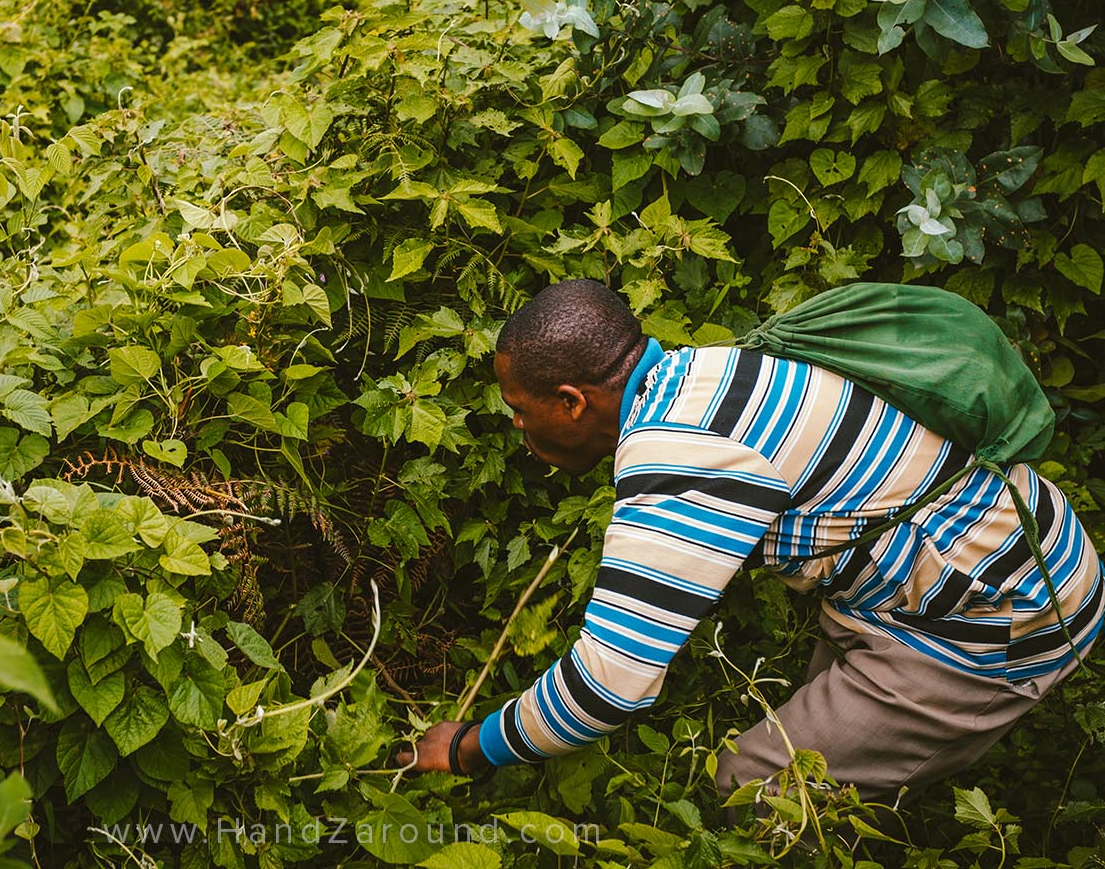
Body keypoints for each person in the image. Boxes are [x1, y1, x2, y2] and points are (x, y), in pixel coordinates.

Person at [396, 279, 1104, 803]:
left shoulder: (678, 457)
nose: (519, 429)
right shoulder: (707, 371)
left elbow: (609, 686)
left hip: (1004, 622)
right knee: (816, 738)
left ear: (573, 401)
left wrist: (471, 747)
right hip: (1014, 544)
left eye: (521, 412)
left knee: (752, 786)